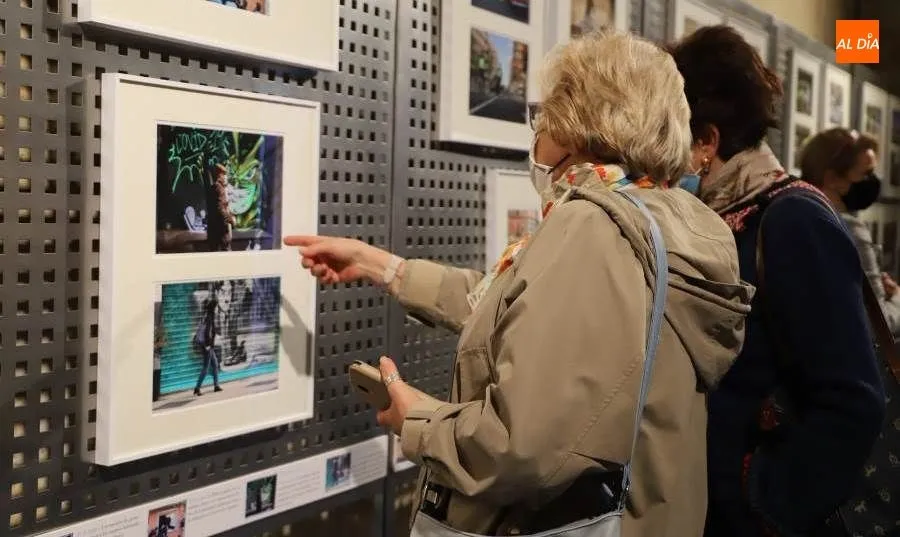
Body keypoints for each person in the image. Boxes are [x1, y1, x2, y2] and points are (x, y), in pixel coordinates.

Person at [287, 31, 753, 536]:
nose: (536, 133)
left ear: (577, 125)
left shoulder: (595, 228)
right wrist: (382, 266)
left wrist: (416, 419)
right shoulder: (665, 222)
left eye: (544, 114)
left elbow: (521, 446)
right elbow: (519, 309)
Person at [667, 25, 886, 537]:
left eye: (672, 132)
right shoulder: (725, 212)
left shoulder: (791, 218)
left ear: (707, 140)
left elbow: (852, 398)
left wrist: (765, 503)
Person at [799, 127, 900, 337]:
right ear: (832, 178)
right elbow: (880, 323)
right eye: (866, 173)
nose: (873, 181)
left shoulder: (795, 216)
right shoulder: (850, 229)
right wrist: (897, 297)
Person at [193, 284, 224, 396]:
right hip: (207, 345)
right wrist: (208, 345)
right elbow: (207, 332)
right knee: (206, 367)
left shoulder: (207, 315)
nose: (217, 309)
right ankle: (197, 388)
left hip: (207, 344)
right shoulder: (210, 317)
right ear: (214, 308)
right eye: (216, 307)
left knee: (215, 364)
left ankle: (216, 386)